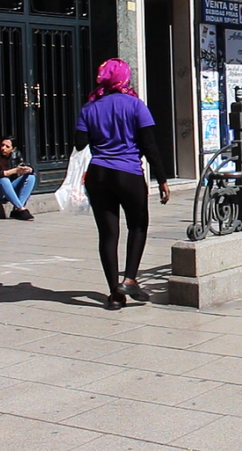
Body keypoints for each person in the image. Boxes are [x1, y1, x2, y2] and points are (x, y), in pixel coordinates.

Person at [75, 58, 170, 311]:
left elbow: (79, 143)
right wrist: (161, 179)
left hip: (99, 175)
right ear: (124, 78)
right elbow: (149, 146)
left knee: (108, 234)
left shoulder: (89, 108)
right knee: (138, 225)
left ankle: (114, 295)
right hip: (128, 174)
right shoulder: (136, 106)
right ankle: (129, 279)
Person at [0, 136, 36, 220]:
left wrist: (29, 169)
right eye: (2, 145)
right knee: (4, 180)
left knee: (31, 177)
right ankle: (21, 209)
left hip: (10, 189)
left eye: (7, 146)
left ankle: (18, 209)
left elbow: (24, 164)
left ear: (13, 149)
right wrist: (14, 171)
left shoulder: (16, 154)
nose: (3, 148)